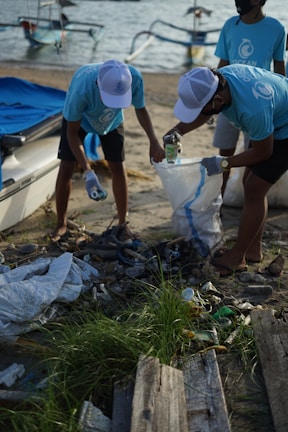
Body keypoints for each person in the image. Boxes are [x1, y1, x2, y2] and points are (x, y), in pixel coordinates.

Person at [165, 64, 288, 276]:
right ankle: (252, 250)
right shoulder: (219, 80)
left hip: (284, 127)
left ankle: (237, 257)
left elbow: (263, 153)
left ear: (218, 101)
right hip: (272, 119)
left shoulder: (252, 108)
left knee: (254, 188)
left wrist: (223, 163)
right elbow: (207, 110)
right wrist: (178, 130)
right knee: (250, 182)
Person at [50, 59, 165, 242]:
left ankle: (122, 223)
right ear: (98, 84)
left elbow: (141, 109)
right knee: (66, 168)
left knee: (118, 167)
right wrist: (88, 172)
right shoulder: (82, 89)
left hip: (112, 122)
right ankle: (61, 223)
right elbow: (72, 135)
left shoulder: (133, 77)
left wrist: (153, 140)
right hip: (81, 121)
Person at [212, 0, 286, 196]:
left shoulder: (276, 28)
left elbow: (279, 67)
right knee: (225, 150)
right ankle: (218, 198)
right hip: (227, 99)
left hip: (258, 104)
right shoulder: (230, 25)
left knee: (253, 155)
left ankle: (250, 200)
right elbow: (223, 63)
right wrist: (213, 97)